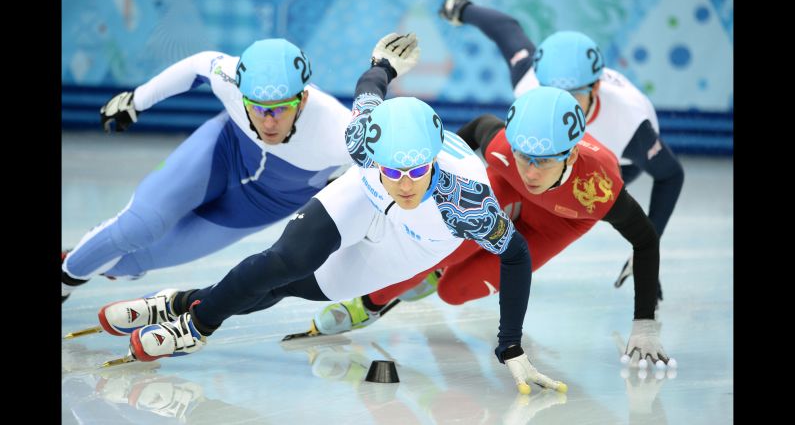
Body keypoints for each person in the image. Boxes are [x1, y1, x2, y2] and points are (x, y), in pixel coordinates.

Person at [92, 33, 565, 394]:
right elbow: (370, 87)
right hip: (362, 194)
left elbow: (516, 255)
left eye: (416, 169)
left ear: (432, 162)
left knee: (290, 287)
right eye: (392, 169)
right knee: (284, 260)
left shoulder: (465, 202)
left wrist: (510, 346)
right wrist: (383, 63)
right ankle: (196, 325)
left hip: (418, 241)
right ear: (373, 153)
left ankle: (182, 300)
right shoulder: (363, 140)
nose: (403, 181)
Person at [310, 53, 675, 368]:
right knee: (442, 245)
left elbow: (645, 241)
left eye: (544, 162)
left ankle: (438, 276)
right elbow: (464, 136)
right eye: (524, 157)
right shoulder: (500, 145)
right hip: (504, 187)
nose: (531, 172)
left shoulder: (598, 186)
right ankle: (371, 303)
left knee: (454, 291)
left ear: (572, 155)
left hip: (560, 223)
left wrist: (644, 323)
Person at [61, 38, 353, 303]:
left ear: (302, 100)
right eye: (256, 107)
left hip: (264, 205)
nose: (268, 122)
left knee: (134, 262)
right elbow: (197, 64)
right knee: (141, 225)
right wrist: (136, 101)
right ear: (242, 93)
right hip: (221, 153)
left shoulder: (339, 130)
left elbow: (384, 172)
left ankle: (93, 252)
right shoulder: (230, 77)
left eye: (280, 108)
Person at [443, 0, 684, 292]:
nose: (558, 105)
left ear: (596, 87)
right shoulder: (529, 77)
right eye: (548, 92)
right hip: (547, 159)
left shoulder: (629, 125)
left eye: (571, 96)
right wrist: (462, 9)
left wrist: (649, 247)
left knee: (551, 207)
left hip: (612, 164)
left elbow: (671, 175)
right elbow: (506, 29)